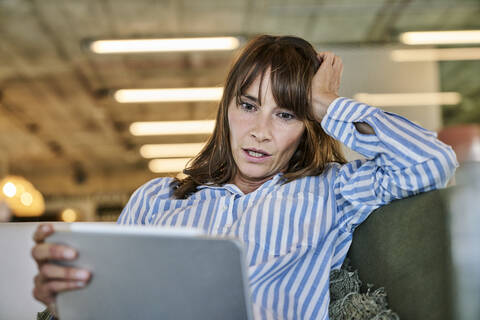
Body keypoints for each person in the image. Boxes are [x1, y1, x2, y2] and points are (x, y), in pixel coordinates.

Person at [31, 35, 458, 320]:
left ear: (308, 124)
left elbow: (433, 161)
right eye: (249, 106)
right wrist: (70, 299)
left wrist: (328, 104)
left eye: (286, 114)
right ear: (227, 111)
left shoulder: (333, 189)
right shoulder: (157, 197)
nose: (260, 131)